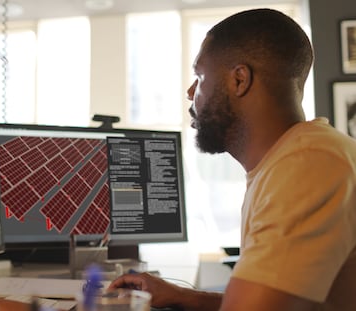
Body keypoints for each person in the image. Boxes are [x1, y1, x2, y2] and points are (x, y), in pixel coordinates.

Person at [108, 8, 356, 311]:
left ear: (240, 79)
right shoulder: (291, 159)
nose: (190, 92)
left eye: (199, 76)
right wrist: (186, 297)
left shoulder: (307, 164)